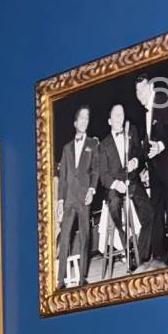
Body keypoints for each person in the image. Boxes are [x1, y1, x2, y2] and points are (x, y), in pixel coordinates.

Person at [97, 103, 152, 271]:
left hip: (132, 182)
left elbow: (140, 153)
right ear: (109, 120)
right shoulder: (103, 145)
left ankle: (139, 255)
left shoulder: (131, 132)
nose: (119, 118)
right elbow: (103, 175)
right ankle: (126, 247)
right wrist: (116, 184)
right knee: (114, 206)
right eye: (116, 115)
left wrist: (136, 160)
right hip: (114, 186)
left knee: (150, 213)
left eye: (121, 114)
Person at [56, 105, 99, 287]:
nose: (84, 120)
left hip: (84, 197)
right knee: (64, 237)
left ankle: (82, 278)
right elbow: (63, 176)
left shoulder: (93, 144)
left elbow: (96, 170)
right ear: (75, 123)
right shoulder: (66, 148)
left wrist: (91, 190)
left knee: (85, 236)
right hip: (68, 199)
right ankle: (60, 281)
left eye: (87, 118)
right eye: (81, 117)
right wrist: (60, 200)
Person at [135, 73, 168, 266]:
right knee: (156, 210)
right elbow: (147, 143)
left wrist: (161, 145)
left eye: (141, 90)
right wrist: (141, 164)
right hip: (154, 169)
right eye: (137, 92)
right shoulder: (145, 112)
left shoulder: (164, 101)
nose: (139, 95)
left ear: (150, 88)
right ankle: (159, 254)